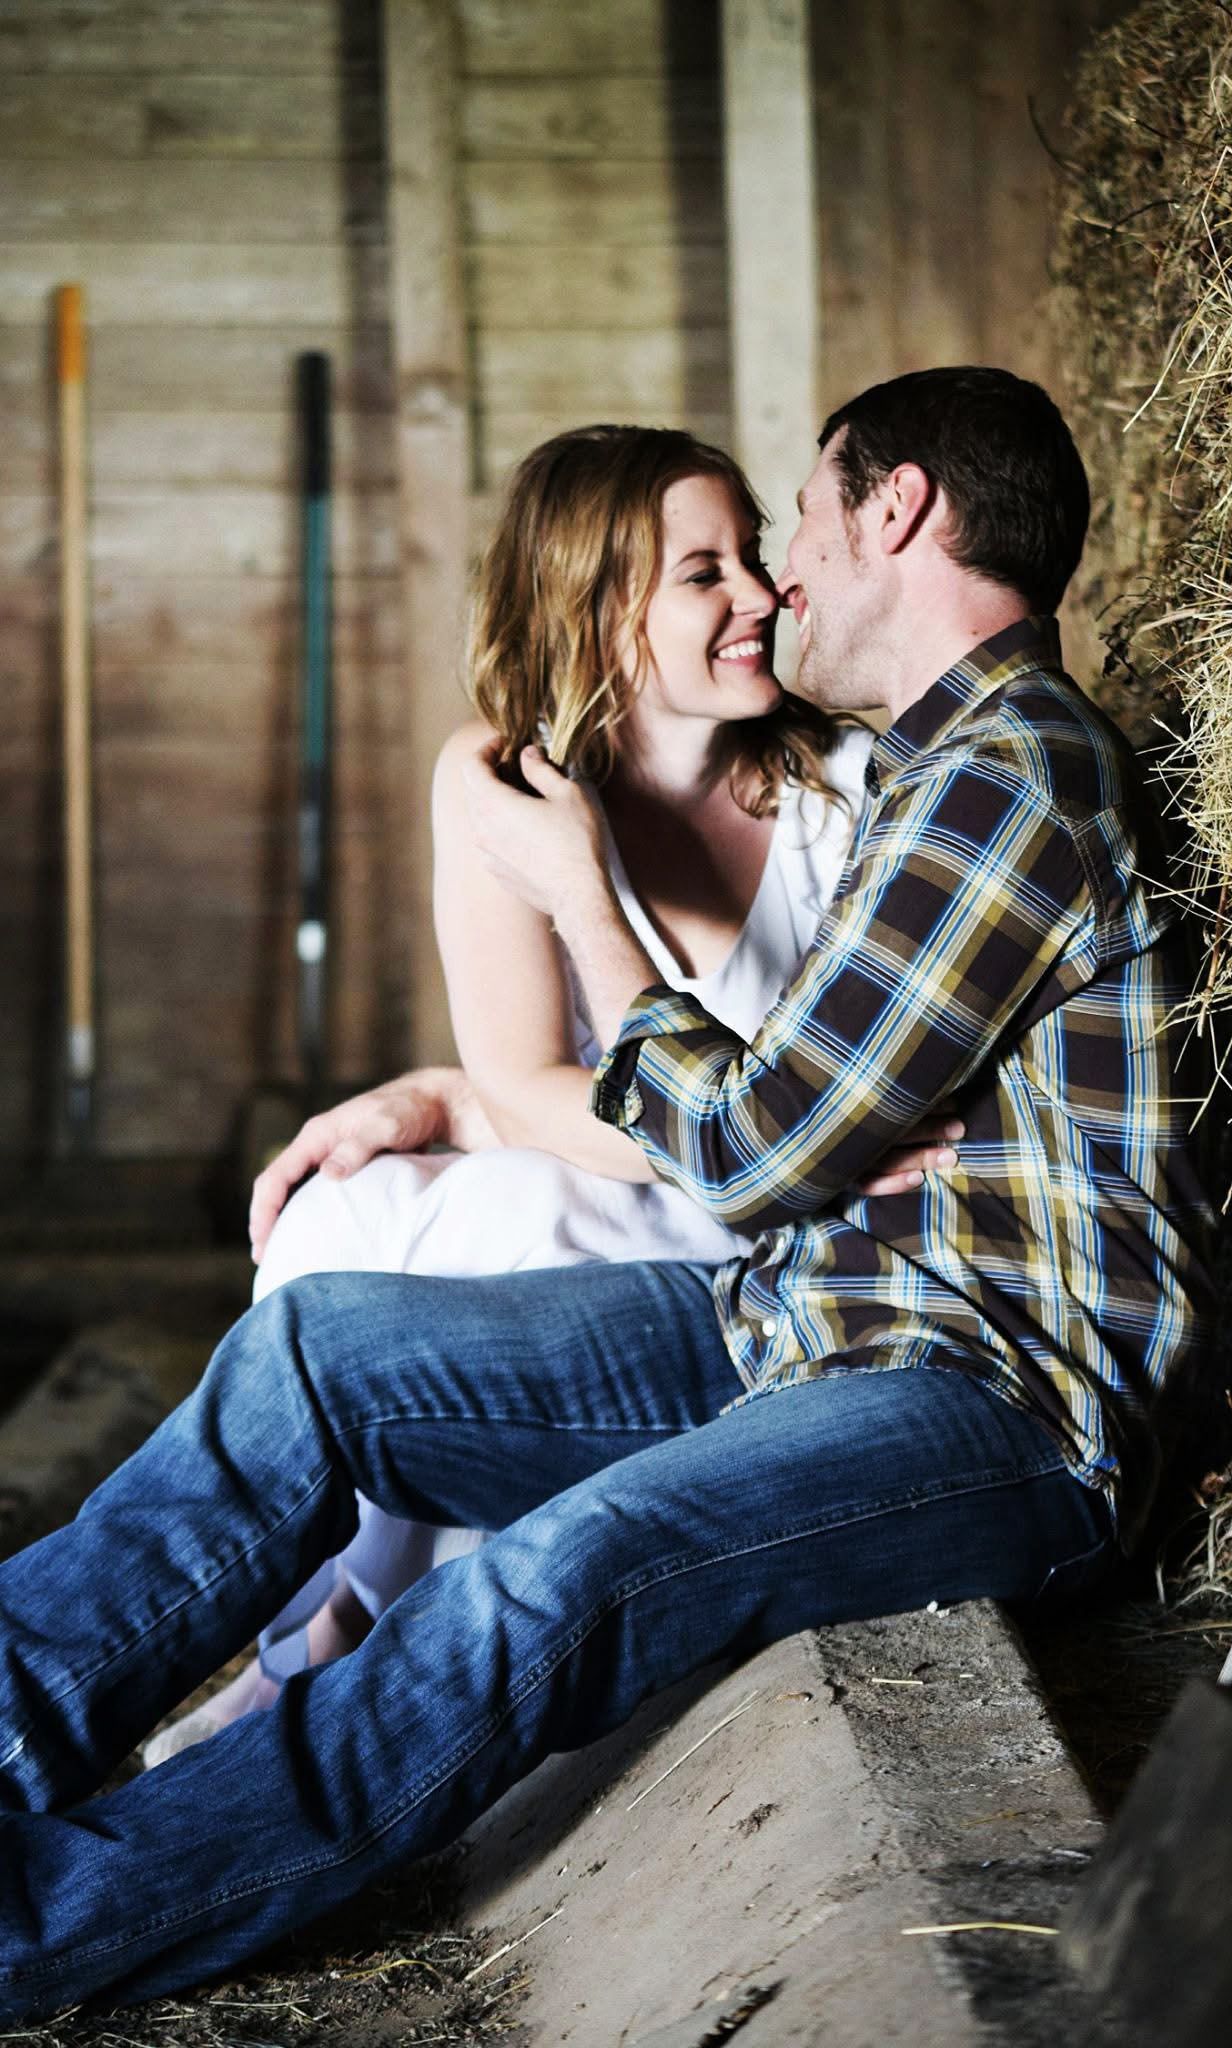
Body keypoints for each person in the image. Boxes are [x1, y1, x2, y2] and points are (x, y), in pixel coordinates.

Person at [0, 368, 1212, 2020]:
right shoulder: (938, 771)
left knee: (551, 1579)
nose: (787, 570)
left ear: (899, 513)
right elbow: (758, 1129)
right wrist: (699, 1115)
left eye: (801, 516)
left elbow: (757, 1147)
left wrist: (593, 910)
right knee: (319, 1352)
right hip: (803, 1313)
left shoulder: (1009, 775)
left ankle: (40, 1918)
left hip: (994, 1399)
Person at [142, 425, 959, 1762]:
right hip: (697, 1175)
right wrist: (476, 1102)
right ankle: (315, 1633)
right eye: (705, 572)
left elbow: (806, 1122)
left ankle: (352, 1641)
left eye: (750, 552)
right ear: (596, 610)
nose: (760, 593)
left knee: (490, 1236)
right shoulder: (503, 781)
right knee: (339, 1218)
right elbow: (526, 1078)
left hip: (796, 1237)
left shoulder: (848, 795)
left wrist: (755, 1146)